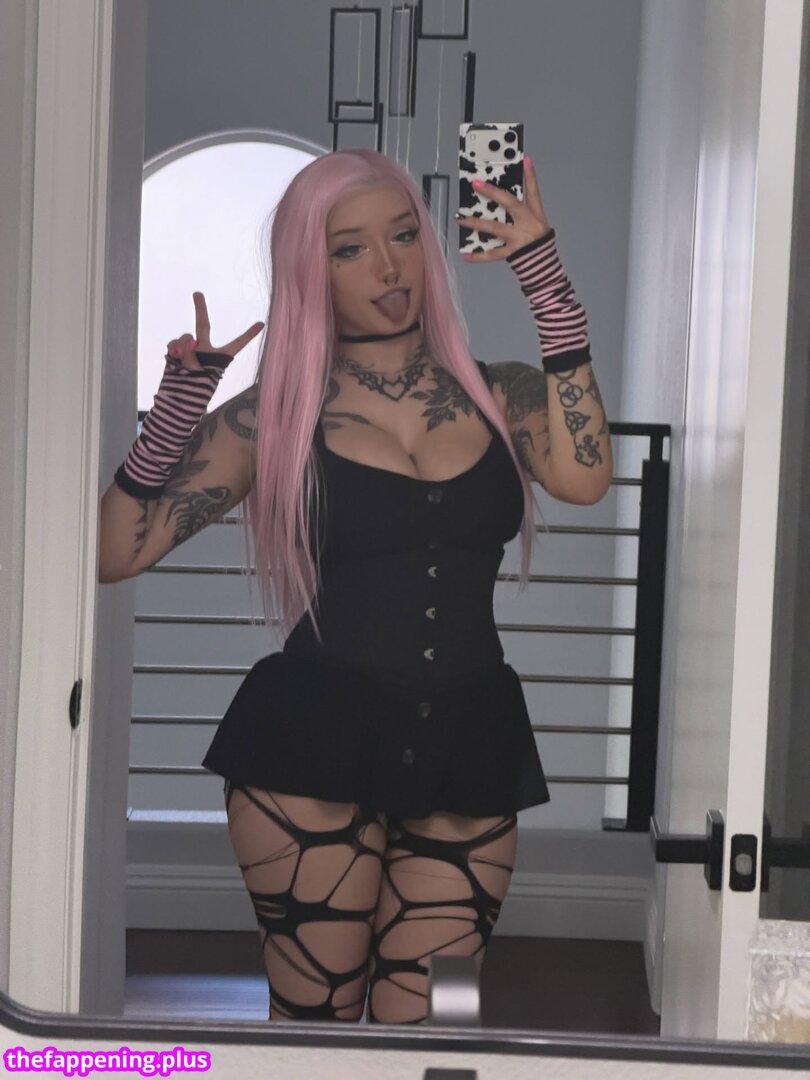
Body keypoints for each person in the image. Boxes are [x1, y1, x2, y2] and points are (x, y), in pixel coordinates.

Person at [98, 148, 612, 1025]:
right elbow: (118, 550)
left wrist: (546, 283)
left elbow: (585, 477)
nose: (387, 267)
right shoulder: (272, 415)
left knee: (446, 1022)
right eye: (350, 249)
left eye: (404, 236)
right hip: (306, 750)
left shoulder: (499, 392)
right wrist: (179, 409)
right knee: (314, 1024)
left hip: (472, 746)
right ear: (312, 271)